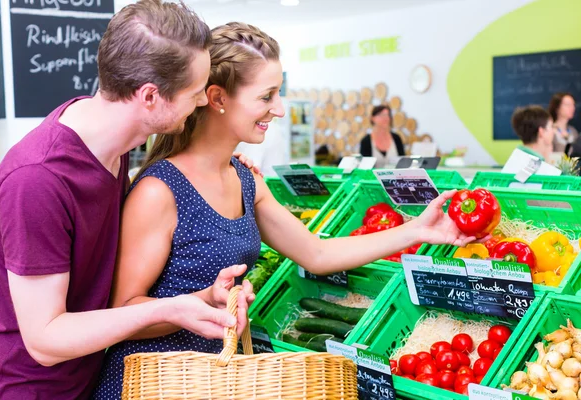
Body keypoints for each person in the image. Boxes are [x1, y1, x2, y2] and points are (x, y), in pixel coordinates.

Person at [92, 21, 479, 398]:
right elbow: (123, 312)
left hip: (222, 382)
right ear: (218, 98)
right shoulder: (160, 191)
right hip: (156, 384)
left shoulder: (246, 181)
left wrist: (417, 231)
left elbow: (318, 253)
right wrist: (198, 304)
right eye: (266, 96)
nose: (278, 109)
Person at [0, 1, 256, 398]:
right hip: (26, 389)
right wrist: (165, 308)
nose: (201, 103)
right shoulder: (37, 181)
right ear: (149, 97)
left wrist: (198, 300)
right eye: (195, 93)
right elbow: (44, 340)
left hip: (84, 380)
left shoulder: (112, 143)